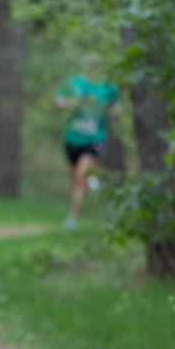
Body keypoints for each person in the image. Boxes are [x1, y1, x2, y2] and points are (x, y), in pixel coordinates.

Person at [53, 54, 119, 229]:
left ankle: (72, 218)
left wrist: (110, 110)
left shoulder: (108, 87)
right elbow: (57, 103)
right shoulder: (74, 84)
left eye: (96, 65)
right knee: (75, 179)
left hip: (94, 139)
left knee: (81, 176)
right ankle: (94, 187)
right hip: (72, 138)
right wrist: (72, 103)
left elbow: (117, 107)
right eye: (90, 64)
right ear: (84, 65)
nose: (92, 68)